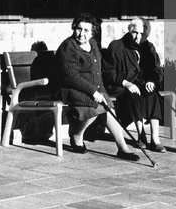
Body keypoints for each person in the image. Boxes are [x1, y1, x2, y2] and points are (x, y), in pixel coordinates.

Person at [54, 13, 140, 161]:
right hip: (69, 88)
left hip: (92, 88)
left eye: (86, 30)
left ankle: (123, 148)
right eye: (78, 29)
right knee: (96, 107)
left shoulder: (93, 44)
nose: (81, 34)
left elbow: (97, 71)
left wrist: (101, 91)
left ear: (93, 32)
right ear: (74, 29)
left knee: (108, 107)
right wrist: (94, 92)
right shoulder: (68, 47)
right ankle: (76, 134)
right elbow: (71, 77)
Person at [103, 17, 166, 153]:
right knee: (134, 95)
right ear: (129, 30)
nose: (138, 37)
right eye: (135, 33)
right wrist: (126, 83)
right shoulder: (117, 46)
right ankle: (141, 135)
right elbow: (107, 72)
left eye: (142, 34)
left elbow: (156, 69)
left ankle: (155, 139)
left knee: (153, 96)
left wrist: (152, 80)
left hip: (143, 83)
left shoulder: (148, 47)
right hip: (123, 84)